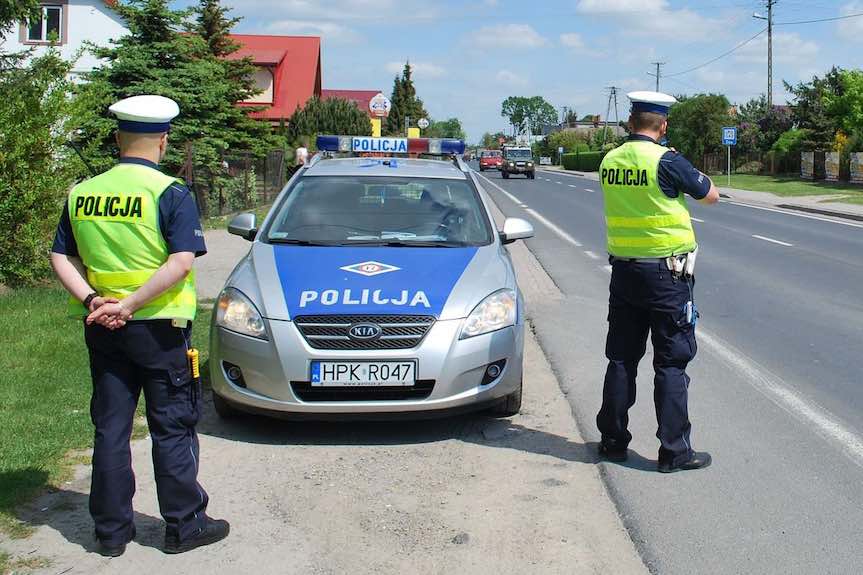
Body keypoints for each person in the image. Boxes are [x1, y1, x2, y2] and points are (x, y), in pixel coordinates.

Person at [50, 95, 229, 556]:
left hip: (102, 327)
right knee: (172, 424)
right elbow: (181, 262)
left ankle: (110, 533)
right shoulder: (170, 193)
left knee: (110, 427)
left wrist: (94, 299)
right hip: (159, 328)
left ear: (117, 138)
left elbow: (60, 256)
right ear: (164, 140)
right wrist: (129, 304)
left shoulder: (82, 192)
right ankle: (185, 526)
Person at [596, 91, 720, 473]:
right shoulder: (667, 161)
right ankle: (674, 451)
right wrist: (677, 162)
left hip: (624, 273)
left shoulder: (609, 159)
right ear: (662, 126)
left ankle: (613, 442)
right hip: (667, 276)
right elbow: (710, 195)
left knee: (621, 359)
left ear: (631, 123)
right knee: (670, 363)